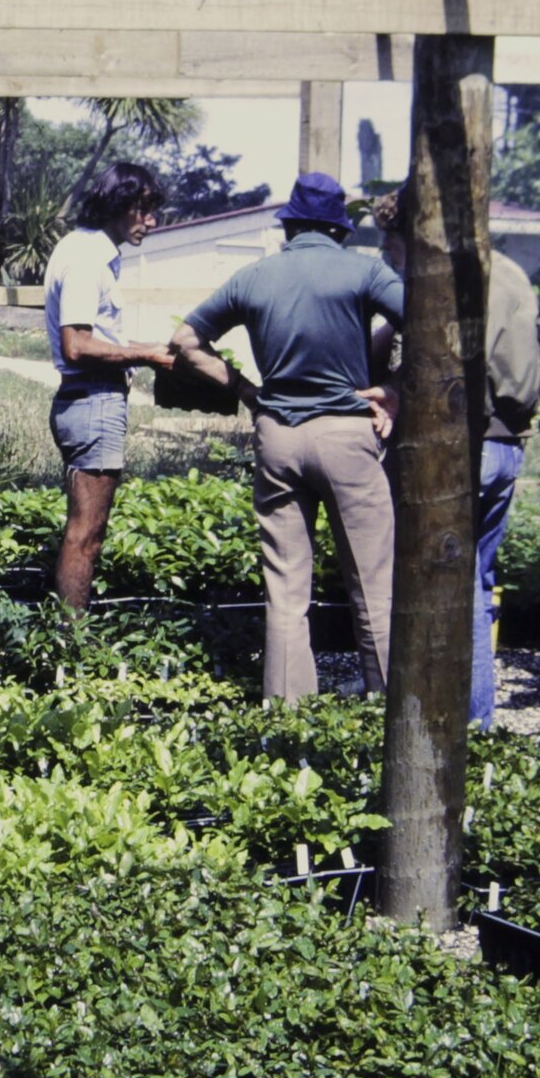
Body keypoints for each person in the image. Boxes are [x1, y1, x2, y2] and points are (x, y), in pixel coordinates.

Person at [169, 171, 404, 701]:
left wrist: (245, 390)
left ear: (290, 226)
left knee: (286, 589)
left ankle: (286, 717)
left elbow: (185, 340)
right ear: (339, 228)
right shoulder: (364, 271)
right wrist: (394, 388)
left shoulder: (253, 276)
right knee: (373, 585)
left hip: (277, 435)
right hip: (346, 436)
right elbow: (431, 326)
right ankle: (387, 711)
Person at [372, 205, 540, 728]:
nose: (389, 258)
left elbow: (437, 363)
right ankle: (470, 711)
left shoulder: (445, 279)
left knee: (461, 586)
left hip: (462, 448)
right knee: (480, 578)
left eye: (392, 247)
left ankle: (473, 721)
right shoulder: (513, 271)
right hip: (507, 446)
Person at [42, 162, 178, 610]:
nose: (152, 221)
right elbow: (77, 345)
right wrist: (147, 356)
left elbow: (101, 339)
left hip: (89, 399)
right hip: (94, 400)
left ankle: (68, 634)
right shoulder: (88, 260)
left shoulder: (85, 250)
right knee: (87, 535)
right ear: (118, 204)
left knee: (84, 531)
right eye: (144, 209)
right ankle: (72, 640)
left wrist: (156, 349)